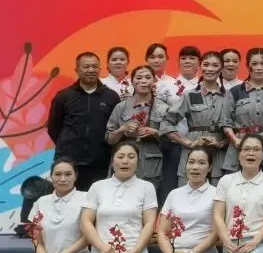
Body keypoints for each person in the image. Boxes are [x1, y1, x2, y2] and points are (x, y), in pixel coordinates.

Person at [80, 142, 158, 253]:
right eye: (120, 156)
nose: (125, 161)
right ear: (112, 160)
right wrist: (102, 247)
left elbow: (149, 224)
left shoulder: (146, 187)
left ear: (138, 161)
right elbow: (85, 221)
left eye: (131, 157)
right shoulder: (98, 187)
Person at [47, 51, 121, 191]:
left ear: (100, 69)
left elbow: (115, 129)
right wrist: (68, 145)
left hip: (99, 162)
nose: (91, 70)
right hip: (68, 163)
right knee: (67, 200)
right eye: (86, 67)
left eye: (95, 66)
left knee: (94, 201)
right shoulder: (64, 96)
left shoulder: (111, 97)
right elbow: (53, 128)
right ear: (77, 70)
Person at [160, 52, 226, 187]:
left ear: (221, 69)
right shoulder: (190, 95)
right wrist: (188, 143)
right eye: (206, 65)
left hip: (218, 155)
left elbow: (236, 128)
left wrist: (221, 143)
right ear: (200, 67)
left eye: (215, 65)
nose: (210, 69)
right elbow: (166, 124)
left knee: (217, 192)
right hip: (191, 152)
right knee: (187, 190)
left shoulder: (228, 96)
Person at [106, 65, 169, 197]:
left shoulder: (163, 108)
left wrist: (156, 132)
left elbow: (171, 140)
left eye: (148, 77)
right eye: (139, 78)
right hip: (124, 160)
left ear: (154, 81)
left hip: (151, 163)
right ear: (132, 81)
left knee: (148, 198)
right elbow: (109, 139)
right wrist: (122, 130)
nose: (143, 81)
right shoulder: (121, 107)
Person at [220, 47, 263, 175]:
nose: (259, 68)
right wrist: (236, 141)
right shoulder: (235, 91)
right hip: (238, 148)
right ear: (247, 66)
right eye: (254, 64)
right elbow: (225, 121)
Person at [155, 45, 202, 195]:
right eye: (183, 58)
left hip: (198, 143)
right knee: (169, 186)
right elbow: (157, 110)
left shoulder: (204, 86)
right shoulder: (166, 85)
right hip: (173, 143)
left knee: (195, 186)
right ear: (178, 62)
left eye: (192, 58)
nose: (187, 61)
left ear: (199, 62)